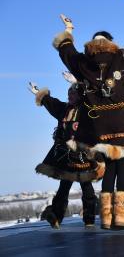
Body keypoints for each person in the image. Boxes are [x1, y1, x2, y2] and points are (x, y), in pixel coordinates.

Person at [52, 3, 124, 229]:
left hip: (98, 126)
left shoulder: (83, 63)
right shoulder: (121, 57)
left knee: (111, 166)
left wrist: (70, 29)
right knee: (121, 164)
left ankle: (105, 216)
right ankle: (122, 214)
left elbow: (65, 49)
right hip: (123, 121)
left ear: (91, 44)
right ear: (111, 43)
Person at [29, 78, 103, 229]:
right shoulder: (64, 109)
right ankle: (56, 216)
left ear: (80, 95)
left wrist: (79, 81)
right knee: (64, 188)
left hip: (83, 156)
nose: (70, 96)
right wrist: (40, 94)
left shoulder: (87, 110)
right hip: (67, 156)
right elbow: (52, 103)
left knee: (87, 188)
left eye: (73, 93)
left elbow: (94, 96)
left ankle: (89, 219)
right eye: (68, 93)